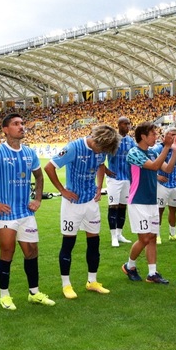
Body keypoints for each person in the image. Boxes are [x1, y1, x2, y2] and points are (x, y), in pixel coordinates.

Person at [0, 112, 55, 310]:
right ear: (5, 129)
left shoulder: (29, 153)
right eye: (16, 124)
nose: (21, 126)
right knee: (7, 252)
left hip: (26, 213)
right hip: (6, 214)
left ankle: (34, 293)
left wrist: (37, 199)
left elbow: (40, 177)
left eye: (22, 123)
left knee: (31, 252)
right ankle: (5, 295)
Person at [44, 124, 119, 299]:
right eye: (101, 148)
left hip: (91, 202)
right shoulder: (73, 147)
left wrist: (99, 187)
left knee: (94, 243)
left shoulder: (102, 149)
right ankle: (66, 285)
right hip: (72, 204)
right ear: (96, 140)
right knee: (68, 244)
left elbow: (101, 166)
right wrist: (63, 190)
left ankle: (92, 281)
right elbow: (49, 167)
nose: (102, 152)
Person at [119, 122, 176, 285]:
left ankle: (152, 273)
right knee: (145, 238)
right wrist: (166, 147)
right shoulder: (134, 153)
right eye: (153, 134)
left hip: (151, 201)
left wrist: (173, 150)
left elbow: (167, 169)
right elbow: (154, 167)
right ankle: (129, 265)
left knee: (152, 237)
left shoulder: (152, 153)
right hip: (138, 200)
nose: (155, 137)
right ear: (143, 136)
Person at [104, 117, 135, 247]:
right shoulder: (111, 139)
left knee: (123, 206)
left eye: (129, 124)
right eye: (125, 124)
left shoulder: (130, 141)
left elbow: (134, 158)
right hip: (114, 179)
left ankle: (119, 234)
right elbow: (99, 156)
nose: (128, 126)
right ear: (119, 125)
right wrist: (106, 170)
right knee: (113, 207)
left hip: (126, 178)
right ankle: (113, 237)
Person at [154, 129, 176, 245]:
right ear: (165, 136)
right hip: (161, 185)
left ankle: (172, 234)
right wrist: (157, 176)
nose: (174, 137)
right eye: (172, 134)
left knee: (173, 210)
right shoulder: (158, 148)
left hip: (174, 184)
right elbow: (149, 163)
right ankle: (156, 235)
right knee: (159, 210)